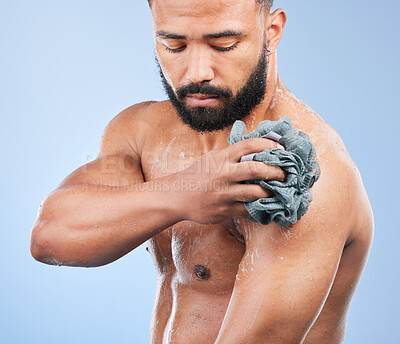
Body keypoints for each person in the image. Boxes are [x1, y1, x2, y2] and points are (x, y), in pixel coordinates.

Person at [30, 0, 374, 343]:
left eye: (223, 45)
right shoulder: (142, 132)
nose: (196, 73)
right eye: (174, 45)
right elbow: (50, 235)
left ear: (272, 31)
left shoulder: (300, 172)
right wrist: (186, 193)